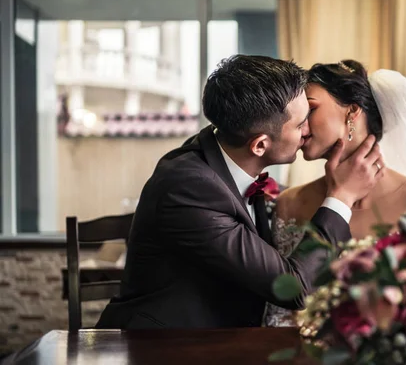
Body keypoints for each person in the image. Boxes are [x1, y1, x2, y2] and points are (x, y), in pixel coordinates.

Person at [95, 55, 384, 329]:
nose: (307, 130)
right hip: (162, 348)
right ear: (259, 145)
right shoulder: (188, 187)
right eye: (299, 124)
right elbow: (293, 287)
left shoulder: (224, 150)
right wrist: (342, 196)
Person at [264, 59, 406, 327]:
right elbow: (281, 313)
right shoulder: (290, 203)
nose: (300, 127)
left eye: (311, 109)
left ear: (352, 111)